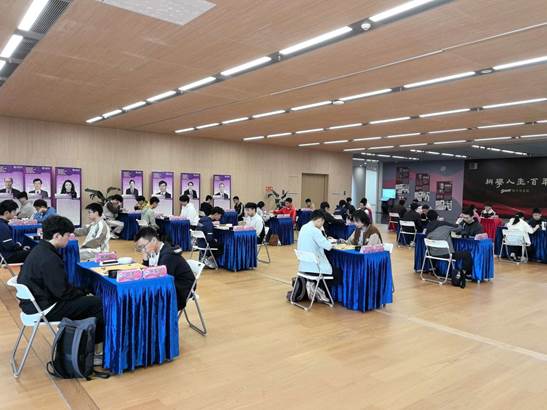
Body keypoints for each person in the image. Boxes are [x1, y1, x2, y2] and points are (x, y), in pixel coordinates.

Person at [16, 215, 104, 344]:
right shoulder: (49, 258)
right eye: (68, 235)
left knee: (86, 299)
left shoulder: (39, 250)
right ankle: (90, 345)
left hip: (32, 304)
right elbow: (62, 293)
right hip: (44, 308)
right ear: (57, 236)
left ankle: (79, 339)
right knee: (98, 303)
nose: (69, 238)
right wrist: (84, 292)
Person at [135, 227, 195, 310]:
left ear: (153, 240)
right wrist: (145, 259)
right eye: (140, 248)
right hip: (172, 283)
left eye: (143, 246)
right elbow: (151, 274)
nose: (143, 250)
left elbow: (162, 281)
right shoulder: (159, 251)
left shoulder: (167, 256)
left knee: (144, 300)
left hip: (181, 289)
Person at [425, 210, 472, 286]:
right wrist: (459, 222)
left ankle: (434, 269)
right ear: (438, 217)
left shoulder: (428, 226)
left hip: (432, 253)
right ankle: (465, 273)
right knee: (467, 254)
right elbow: (459, 228)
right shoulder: (443, 223)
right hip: (446, 253)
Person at [297, 210, 340, 285]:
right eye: (323, 222)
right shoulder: (315, 230)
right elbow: (328, 247)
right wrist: (333, 242)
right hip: (315, 268)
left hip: (303, 266)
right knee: (338, 273)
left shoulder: (304, 227)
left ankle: (316, 288)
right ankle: (322, 290)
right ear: (320, 220)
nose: (322, 225)